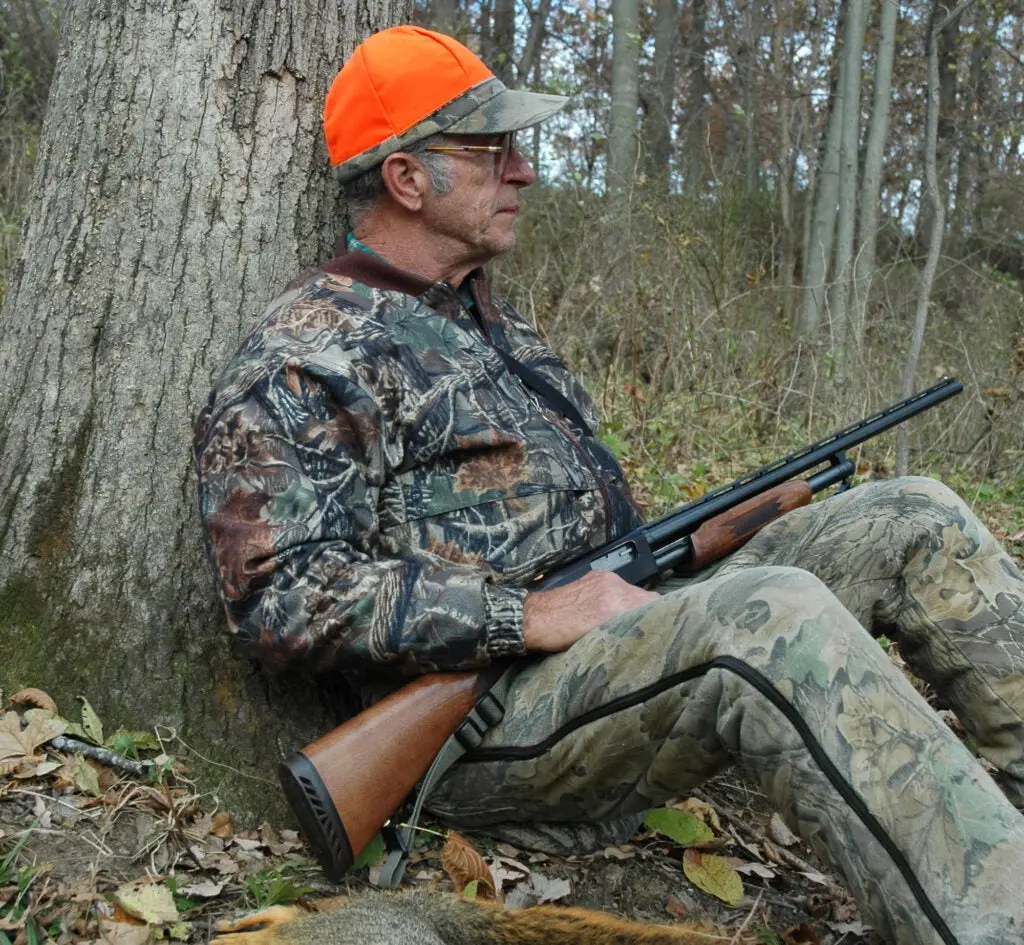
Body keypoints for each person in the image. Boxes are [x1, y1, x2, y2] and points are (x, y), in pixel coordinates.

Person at [193, 25, 1024, 945]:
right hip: (489, 714)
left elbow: (594, 542)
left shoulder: (495, 326)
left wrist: (709, 543)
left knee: (918, 516)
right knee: (773, 614)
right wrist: (527, 615)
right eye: (494, 151)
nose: (525, 172)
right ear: (407, 179)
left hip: (615, 644)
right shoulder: (309, 354)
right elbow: (281, 596)